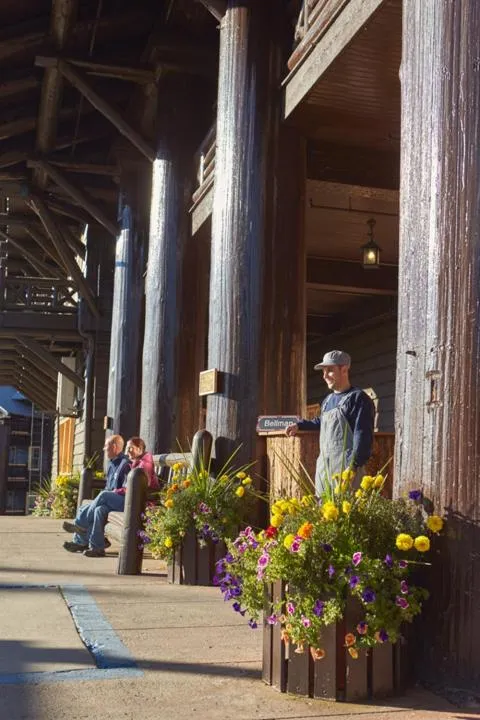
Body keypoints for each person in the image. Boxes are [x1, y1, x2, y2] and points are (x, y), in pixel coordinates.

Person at [285, 350, 374, 494]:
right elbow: (323, 422)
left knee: (347, 512)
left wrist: (352, 466)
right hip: (324, 470)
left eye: (330, 370)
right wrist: (300, 425)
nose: (325, 376)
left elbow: (363, 436)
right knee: (323, 509)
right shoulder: (328, 400)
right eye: (324, 371)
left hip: (346, 471)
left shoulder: (358, 399)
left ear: (344, 369)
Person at [62, 434, 130, 557]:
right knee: (96, 509)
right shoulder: (111, 464)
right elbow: (108, 486)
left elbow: (126, 489)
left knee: (102, 496)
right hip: (112, 501)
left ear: (114, 447)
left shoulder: (125, 464)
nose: (104, 449)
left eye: (106, 446)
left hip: (124, 502)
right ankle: (94, 546)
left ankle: (81, 526)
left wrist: (110, 494)